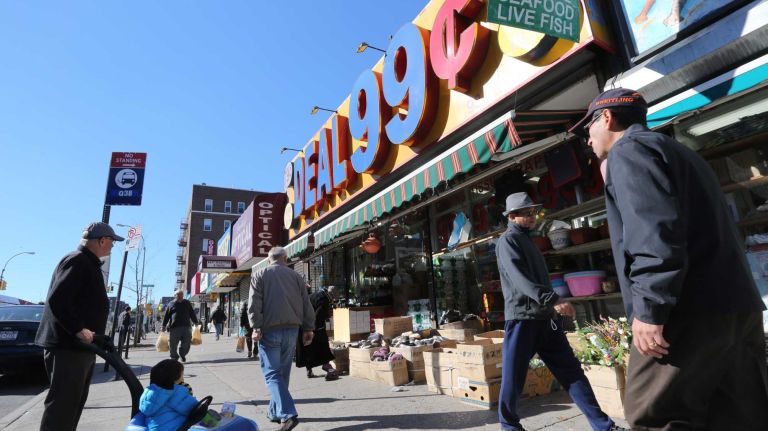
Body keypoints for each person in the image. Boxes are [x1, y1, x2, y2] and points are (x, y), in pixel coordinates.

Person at [571, 88, 768, 429]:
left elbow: (654, 230)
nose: (587, 139)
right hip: (737, 309)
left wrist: (650, 307)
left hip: (686, 312)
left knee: (656, 416)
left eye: (587, 128)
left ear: (606, 117)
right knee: (741, 415)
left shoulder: (628, 151)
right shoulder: (681, 152)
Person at [495, 193, 624, 431]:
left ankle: (603, 426)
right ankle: (509, 426)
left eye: (533, 212)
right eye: (526, 213)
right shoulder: (507, 241)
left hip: (545, 319)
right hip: (522, 318)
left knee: (572, 372)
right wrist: (552, 299)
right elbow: (520, 279)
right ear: (511, 216)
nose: (532, 216)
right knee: (513, 377)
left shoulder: (527, 241)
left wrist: (551, 303)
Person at [34, 222, 124, 431]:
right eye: (112, 242)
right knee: (63, 407)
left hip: (80, 347)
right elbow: (58, 299)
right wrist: (78, 329)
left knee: (72, 405)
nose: (112, 247)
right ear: (101, 241)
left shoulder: (87, 263)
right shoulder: (78, 261)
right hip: (69, 347)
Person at [249, 247, 315, 431]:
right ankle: (275, 412)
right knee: (282, 374)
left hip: (270, 330)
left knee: (272, 373)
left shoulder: (260, 274)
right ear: (285, 258)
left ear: (269, 260)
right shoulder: (296, 277)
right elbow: (306, 303)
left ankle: (287, 414)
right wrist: (309, 327)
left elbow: (254, 303)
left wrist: (256, 326)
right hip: (292, 330)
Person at [139, 359, 198, 431]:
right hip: (177, 428)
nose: (183, 379)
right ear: (174, 378)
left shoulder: (149, 393)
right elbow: (194, 409)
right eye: (182, 375)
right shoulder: (176, 392)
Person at [296, 285, 338, 380]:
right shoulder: (323, 300)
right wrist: (315, 330)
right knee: (322, 346)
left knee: (308, 348)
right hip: (313, 326)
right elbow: (318, 316)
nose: (333, 301)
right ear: (331, 295)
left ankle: (309, 369)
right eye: (333, 299)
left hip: (302, 324)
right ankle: (327, 366)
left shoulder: (316, 294)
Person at [162, 288, 199, 362]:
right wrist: (164, 325)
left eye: (181, 294)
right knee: (172, 344)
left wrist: (195, 322)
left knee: (186, 343)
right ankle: (174, 356)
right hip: (174, 327)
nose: (180, 296)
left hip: (186, 327)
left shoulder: (187, 303)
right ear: (175, 296)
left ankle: (182, 354)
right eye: (179, 295)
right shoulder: (171, 304)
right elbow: (167, 316)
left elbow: (192, 313)